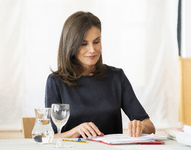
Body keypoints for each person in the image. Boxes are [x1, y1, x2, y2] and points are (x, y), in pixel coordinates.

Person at [45, 11, 155, 139]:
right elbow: (49, 136)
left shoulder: (116, 77)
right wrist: (75, 131)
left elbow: (150, 126)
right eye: (84, 44)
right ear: (71, 46)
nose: (92, 49)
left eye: (96, 42)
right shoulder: (56, 82)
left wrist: (140, 126)